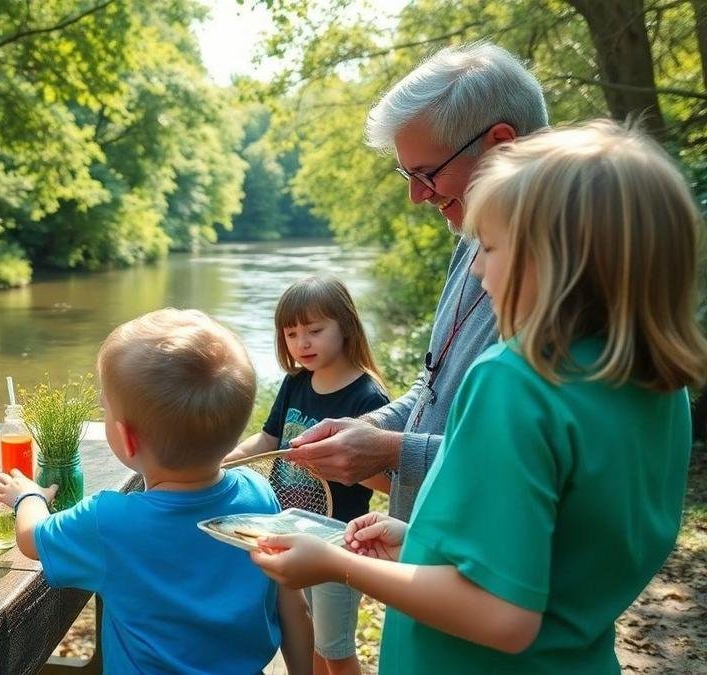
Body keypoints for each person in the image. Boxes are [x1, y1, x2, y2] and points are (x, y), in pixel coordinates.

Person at [250, 120, 707, 673]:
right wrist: (421, 545)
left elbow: (502, 617)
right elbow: (560, 552)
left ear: (556, 259)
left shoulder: (514, 380)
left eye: (488, 247)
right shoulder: (659, 385)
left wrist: (333, 563)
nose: (476, 268)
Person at [287, 42, 549, 520]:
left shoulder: (560, 276)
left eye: (426, 174)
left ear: (501, 143)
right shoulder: (472, 238)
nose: (414, 196)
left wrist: (391, 451)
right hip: (425, 552)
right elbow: (433, 386)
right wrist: (367, 428)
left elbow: (528, 462)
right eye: (406, 174)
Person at [0, 309, 311, 673]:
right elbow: (294, 607)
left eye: (104, 407)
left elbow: (32, 539)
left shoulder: (109, 520)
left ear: (127, 439)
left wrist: (28, 495)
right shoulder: (260, 495)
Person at [225, 277, 389, 675]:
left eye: (315, 331)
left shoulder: (369, 397)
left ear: (346, 326)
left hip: (337, 542)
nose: (303, 343)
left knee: (335, 649)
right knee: (305, 634)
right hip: (287, 531)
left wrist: (337, 463)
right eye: (292, 333)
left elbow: (387, 480)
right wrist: (222, 463)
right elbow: (267, 439)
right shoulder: (295, 382)